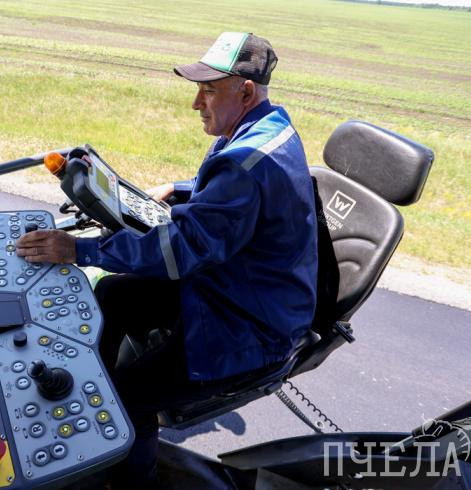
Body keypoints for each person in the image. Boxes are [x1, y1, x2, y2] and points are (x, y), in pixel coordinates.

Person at [16, 32, 318, 486]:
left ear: (246, 90)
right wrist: (180, 191)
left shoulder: (244, 161)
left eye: (209, 90)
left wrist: (78, 249)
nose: (197, 103)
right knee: (114, 292)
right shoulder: (266, 128)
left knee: (128, 398)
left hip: (246, 324)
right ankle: (84, 380)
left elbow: (180, 252)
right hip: (238, 288)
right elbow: (231, 198)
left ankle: (131, 476)